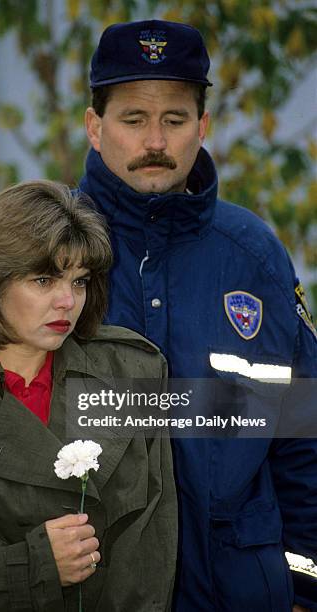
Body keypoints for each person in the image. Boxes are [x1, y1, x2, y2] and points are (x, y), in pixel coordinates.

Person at [79, 19, 317, 612]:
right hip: (97, 590)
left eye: (175, 119)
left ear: (203, 127)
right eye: (133, 119)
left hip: (240, 592)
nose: (154, 140)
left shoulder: (254, 256)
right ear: (93, 127)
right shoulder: (50, 256)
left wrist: (305, 591)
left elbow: (304, 434)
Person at [0, 180, 177, 611]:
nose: (67, 301)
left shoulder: (133, 370)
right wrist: (31, 565)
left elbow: (151, 555)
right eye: (43, 279)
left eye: (79, 281)